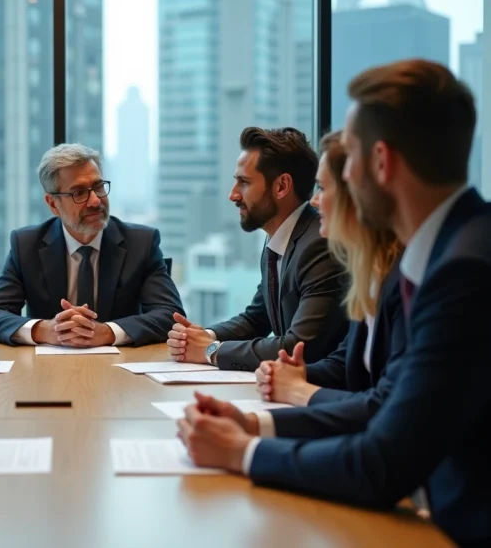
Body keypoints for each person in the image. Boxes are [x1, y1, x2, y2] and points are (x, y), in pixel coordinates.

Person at [176, 59, 491, 547]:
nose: (321, 196)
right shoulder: (435, 256)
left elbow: (382, 461)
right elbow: (385, 406)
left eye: (349, 163)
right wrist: (254, 423)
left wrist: (243, 452)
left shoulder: (461, 271)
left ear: (381, 163)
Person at [168, 127, 349, 371]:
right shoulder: (278, 239)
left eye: (243, 182)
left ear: (282, 186)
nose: (233, 195)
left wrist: (211, 350)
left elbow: (299, 346)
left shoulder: (319, 245)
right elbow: (256, 319)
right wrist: (203, 336)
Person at [0, 143, 184, 347]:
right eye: (79, 193)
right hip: (48, 367)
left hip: (121, 365)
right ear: (53, 204)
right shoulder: (27, 245)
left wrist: (108, 332)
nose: (95, 201)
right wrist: (45, 330)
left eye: (98, 187)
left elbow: (171, 315)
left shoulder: (141, 243)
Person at [255, 131, 405, 407]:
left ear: (357, 196)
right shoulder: (372, 270)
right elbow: (346, 362)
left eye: (322, 188)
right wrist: (296, 374)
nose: (314, 201)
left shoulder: (403, 279)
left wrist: (297, 390)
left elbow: (388, 405)